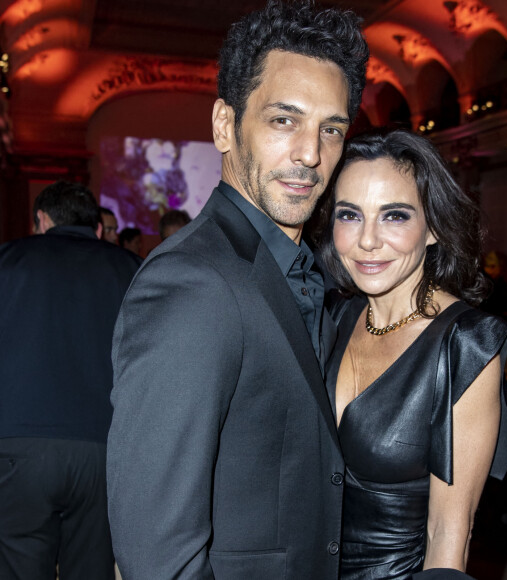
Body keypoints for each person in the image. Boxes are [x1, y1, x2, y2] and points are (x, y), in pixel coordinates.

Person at [106, 2, 369, 579]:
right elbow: (156, 557)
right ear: (225, 125)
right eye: (284, 120)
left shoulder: (299, 269)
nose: (310, 154)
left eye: (331, 128)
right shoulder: (192, 284)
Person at [319, 130, 507, 580]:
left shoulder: (464, 344)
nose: (367, 240)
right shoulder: (331, 319)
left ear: (432, 227)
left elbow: (449, 533)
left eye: (394, 216)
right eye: (350, 215)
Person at [0, 181, 141, 579]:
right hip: (104, 451)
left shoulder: (7, 260)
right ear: (97, 227)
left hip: (17, 446)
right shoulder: (131, 269)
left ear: (41, 220)